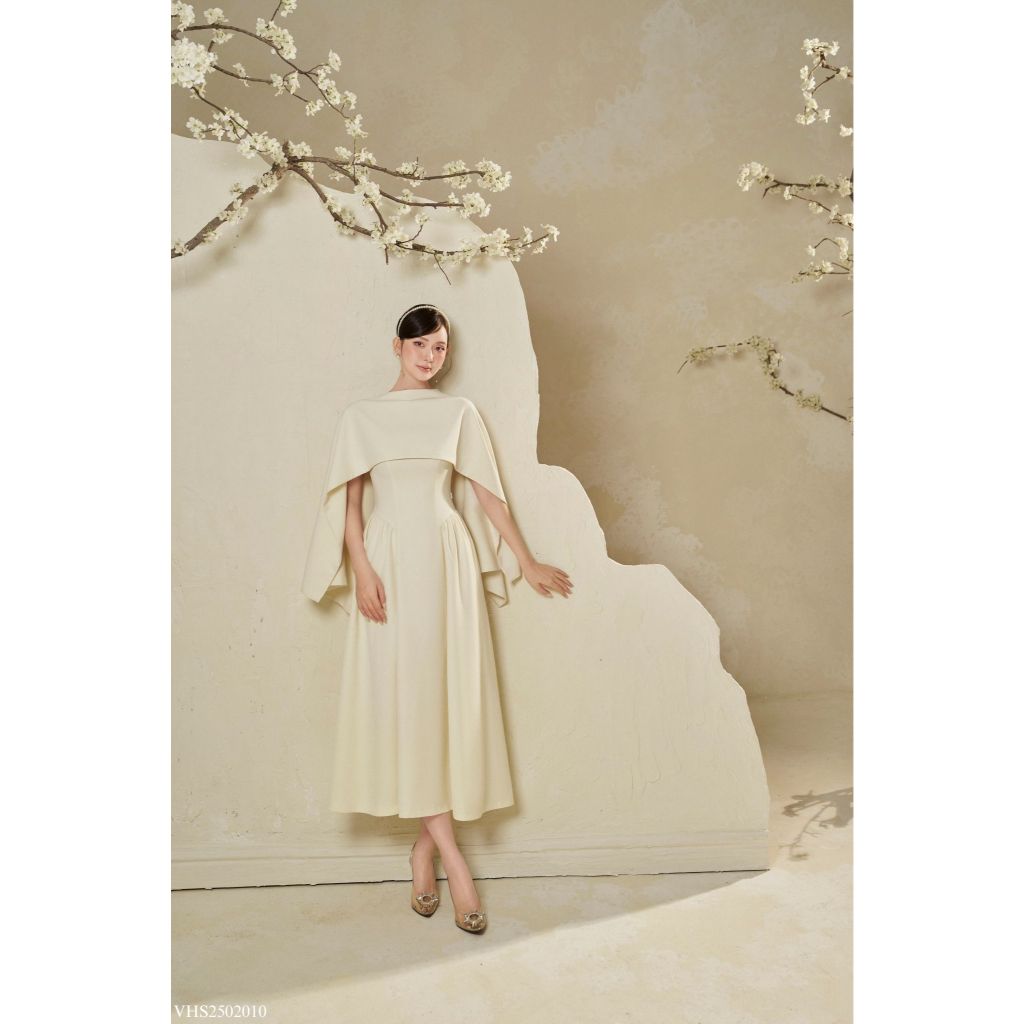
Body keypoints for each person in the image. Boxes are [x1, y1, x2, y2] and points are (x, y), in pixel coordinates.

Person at [301, 303, 573, 933]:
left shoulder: (460, 413)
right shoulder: (361, 417)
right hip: (389, 559)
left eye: (441, 347)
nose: (430, 357)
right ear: (397, 346)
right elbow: (351, 504)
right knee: (405, 700)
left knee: (444, 700)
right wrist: (362, 569)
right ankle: (453, 860)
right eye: (421, 345)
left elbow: (487, 496)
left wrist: (526, 560)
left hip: (448, 560)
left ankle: (424, 850)